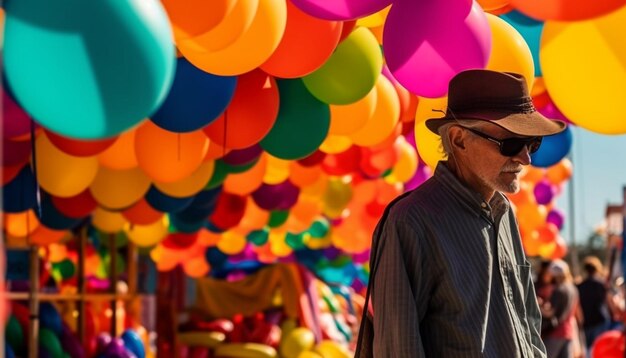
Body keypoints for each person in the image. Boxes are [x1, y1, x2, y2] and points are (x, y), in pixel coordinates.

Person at [359, 69, 566, 357]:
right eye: (511, 143)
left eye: (532, 143)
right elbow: (398, 347)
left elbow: (527, 325)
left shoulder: (505, 213)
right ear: (458, 139)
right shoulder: (411, 221)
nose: (525, 158)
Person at [541, 260, 580, 358]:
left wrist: (539, 306)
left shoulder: (559, 290)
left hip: (556, 333)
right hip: (568, 331)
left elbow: (551, 313)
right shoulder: (573, 288)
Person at [577, 256, 610, 348]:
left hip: (586, 321)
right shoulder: (601, 284)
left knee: (589, 349)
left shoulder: (580, 286)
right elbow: (608, 301)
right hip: (600, 319)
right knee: (601, 348)